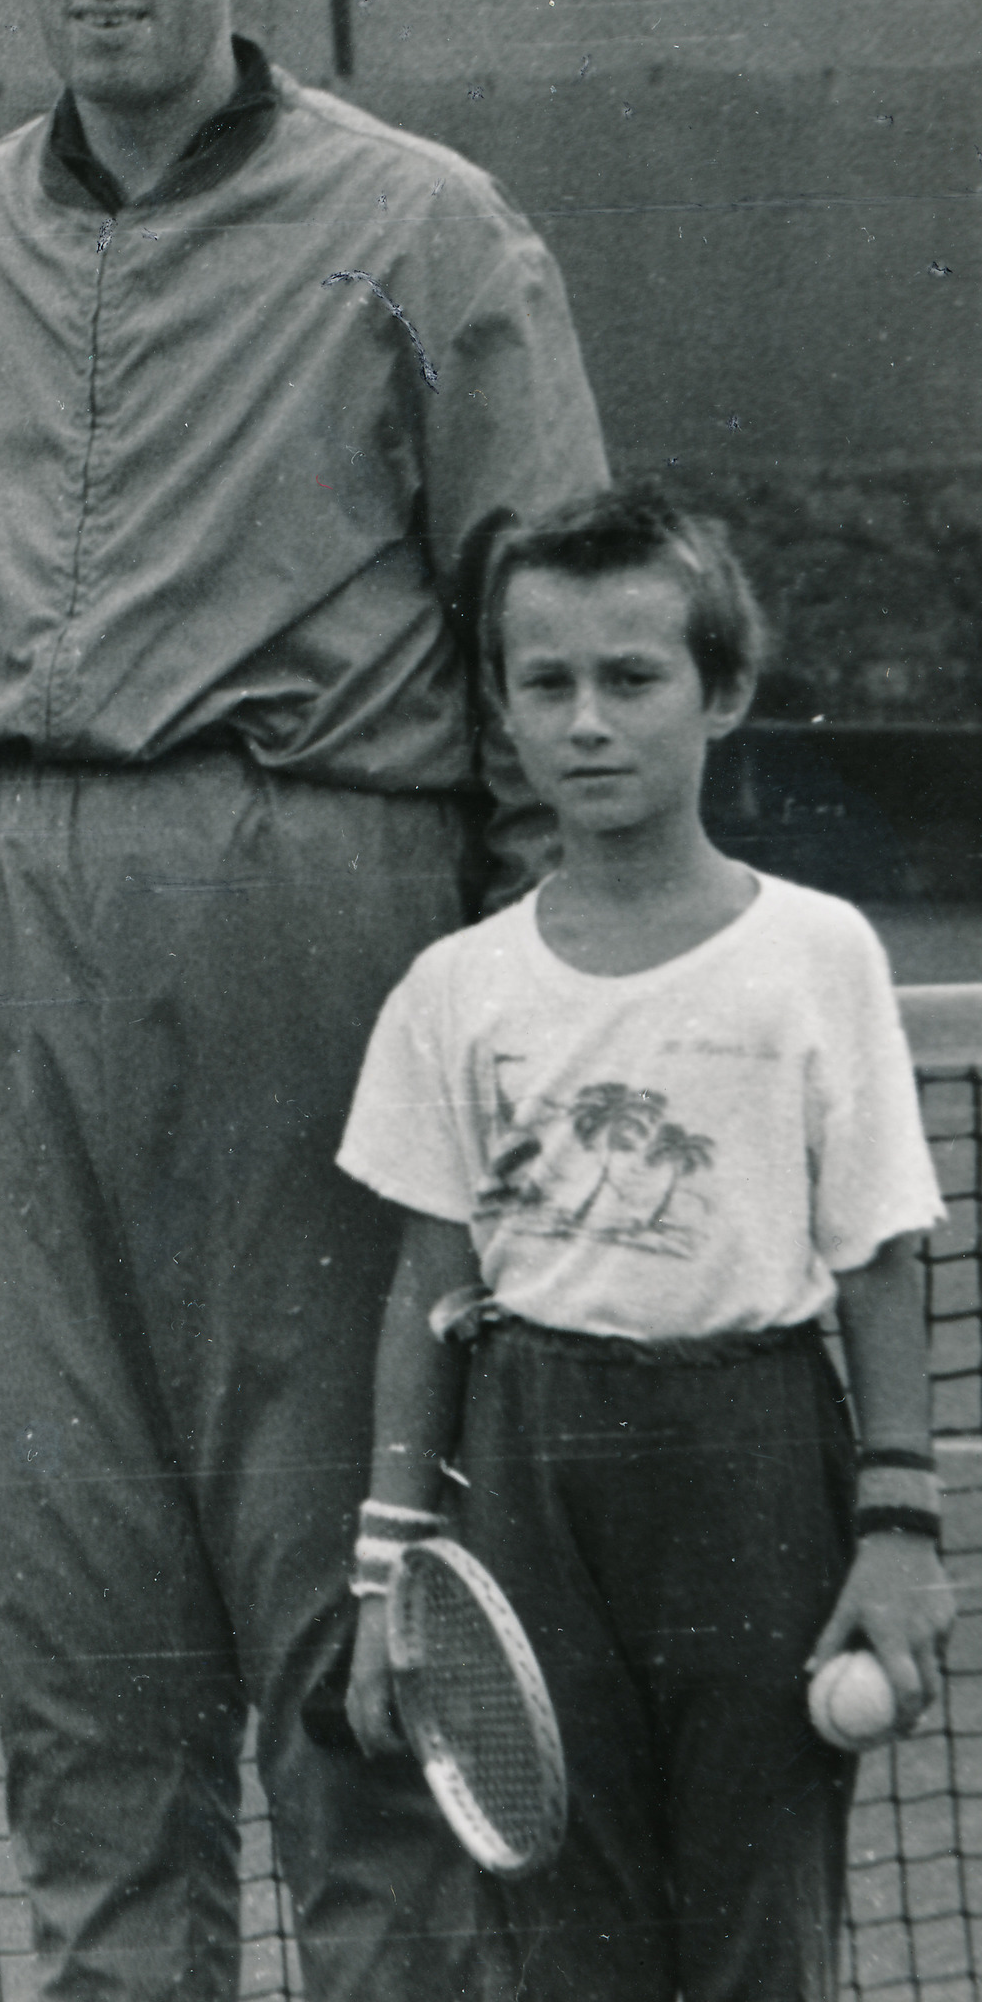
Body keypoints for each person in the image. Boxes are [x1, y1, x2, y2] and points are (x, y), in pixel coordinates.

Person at [0, 0, 605, 2001]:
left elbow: (557, 647)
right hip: (0, 994)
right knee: (85, 1680)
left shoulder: (426, 230)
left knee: (359, 1652)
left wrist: (530, 1030)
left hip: (331, 987)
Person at [338, 485, 955, 2002]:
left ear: (722, 693)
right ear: (503, 710)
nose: (588, 723)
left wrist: (898, 1533)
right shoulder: (453, 989)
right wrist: (384, 1581)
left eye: (632, 677)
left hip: (756, 1464)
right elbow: (427, 1290)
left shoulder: (816, 955)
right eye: (544, 683)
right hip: (531, 1472)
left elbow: (880, 1260)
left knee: (758, 1940)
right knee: (568, 1946)